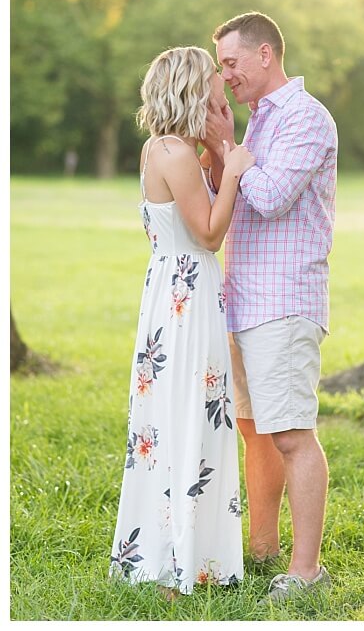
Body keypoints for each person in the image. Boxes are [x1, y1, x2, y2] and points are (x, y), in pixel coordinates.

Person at [205, 11, 340, 603]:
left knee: (291, 435)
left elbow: (273, 198)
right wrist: (226, 155)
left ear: (265, 55)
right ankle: (261, 550)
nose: (225, 74)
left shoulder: (306, 119)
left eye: (231, 62)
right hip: (244, 299)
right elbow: (229, 196)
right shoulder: (259, 123)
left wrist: (232, 153)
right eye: (221, 65)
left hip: (285, 302)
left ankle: (305, 572)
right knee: (255, 429)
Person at [111, 47, 255, 595]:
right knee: (190, 414)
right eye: (215, 89)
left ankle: (192, 553)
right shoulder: (174, 154)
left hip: (174, 293)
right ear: (193, 91)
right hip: (187, 299)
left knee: (180, 413)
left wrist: (221, 148)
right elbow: (211, 233)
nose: (223, 93)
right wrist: (237, 167)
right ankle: (181, 563)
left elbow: (203, 199)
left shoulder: (166, 147)